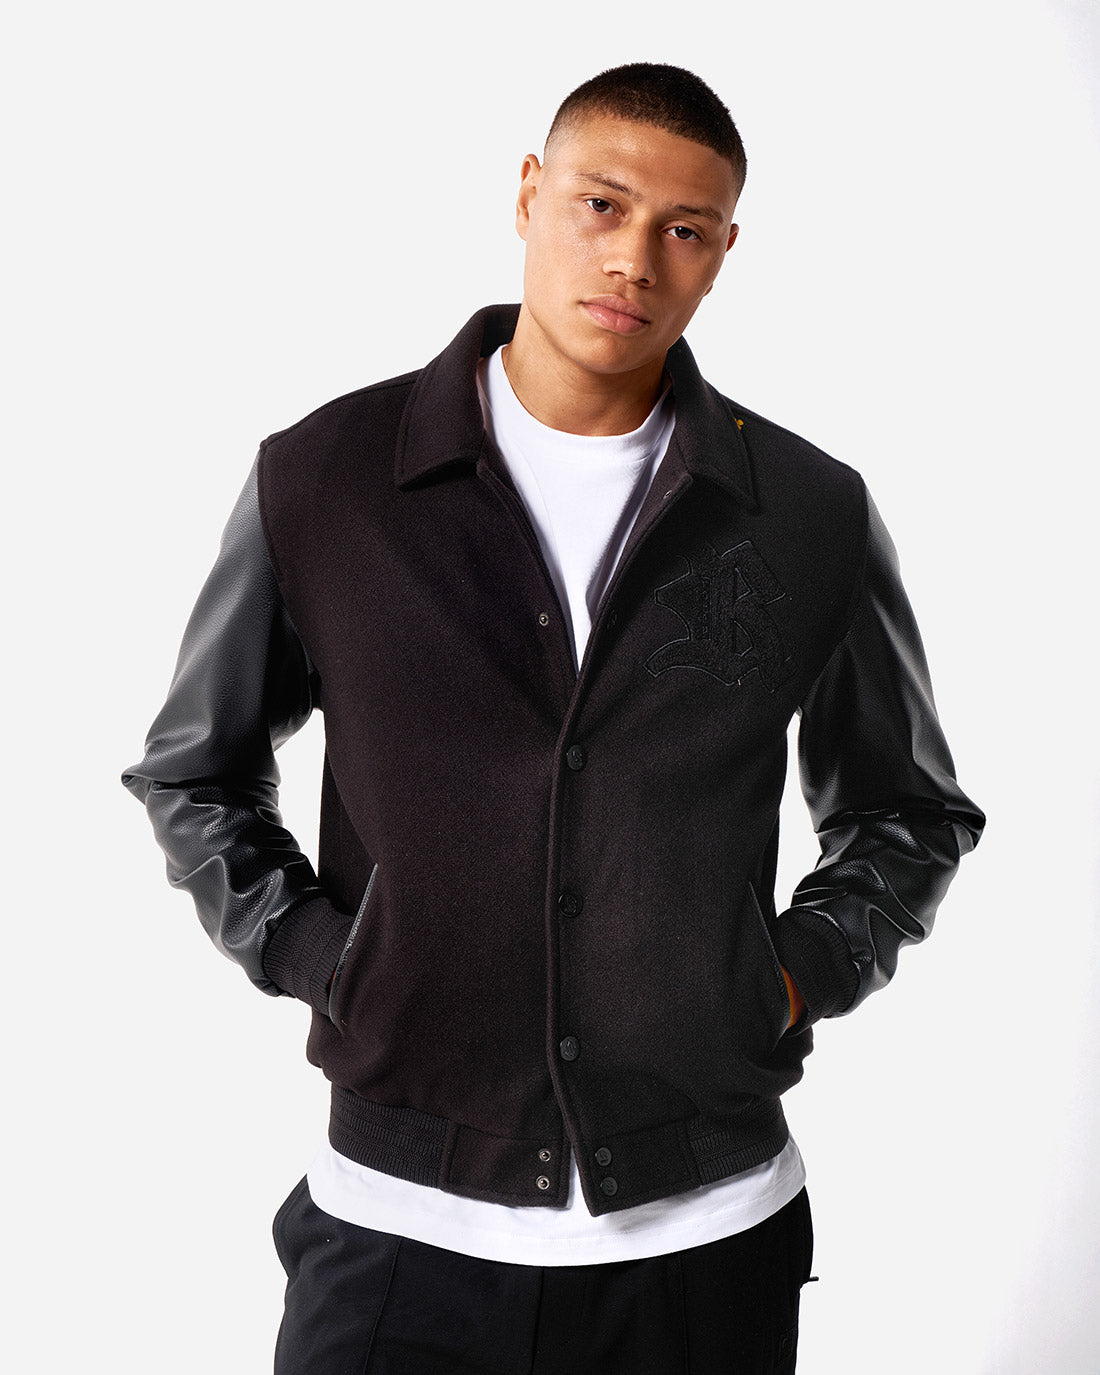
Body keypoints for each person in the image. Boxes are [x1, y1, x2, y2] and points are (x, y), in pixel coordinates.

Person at [123, 62, 983, 1375]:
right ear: (529, 196)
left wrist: (791, 975)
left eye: (684, 228)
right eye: (601, 204)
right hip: (396, 1235)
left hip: (705, 1245)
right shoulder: (328, 480)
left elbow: (907, 809)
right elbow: (196, 773)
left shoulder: (806, 512)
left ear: (723, 255)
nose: (634, 258)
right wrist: (318, 956)